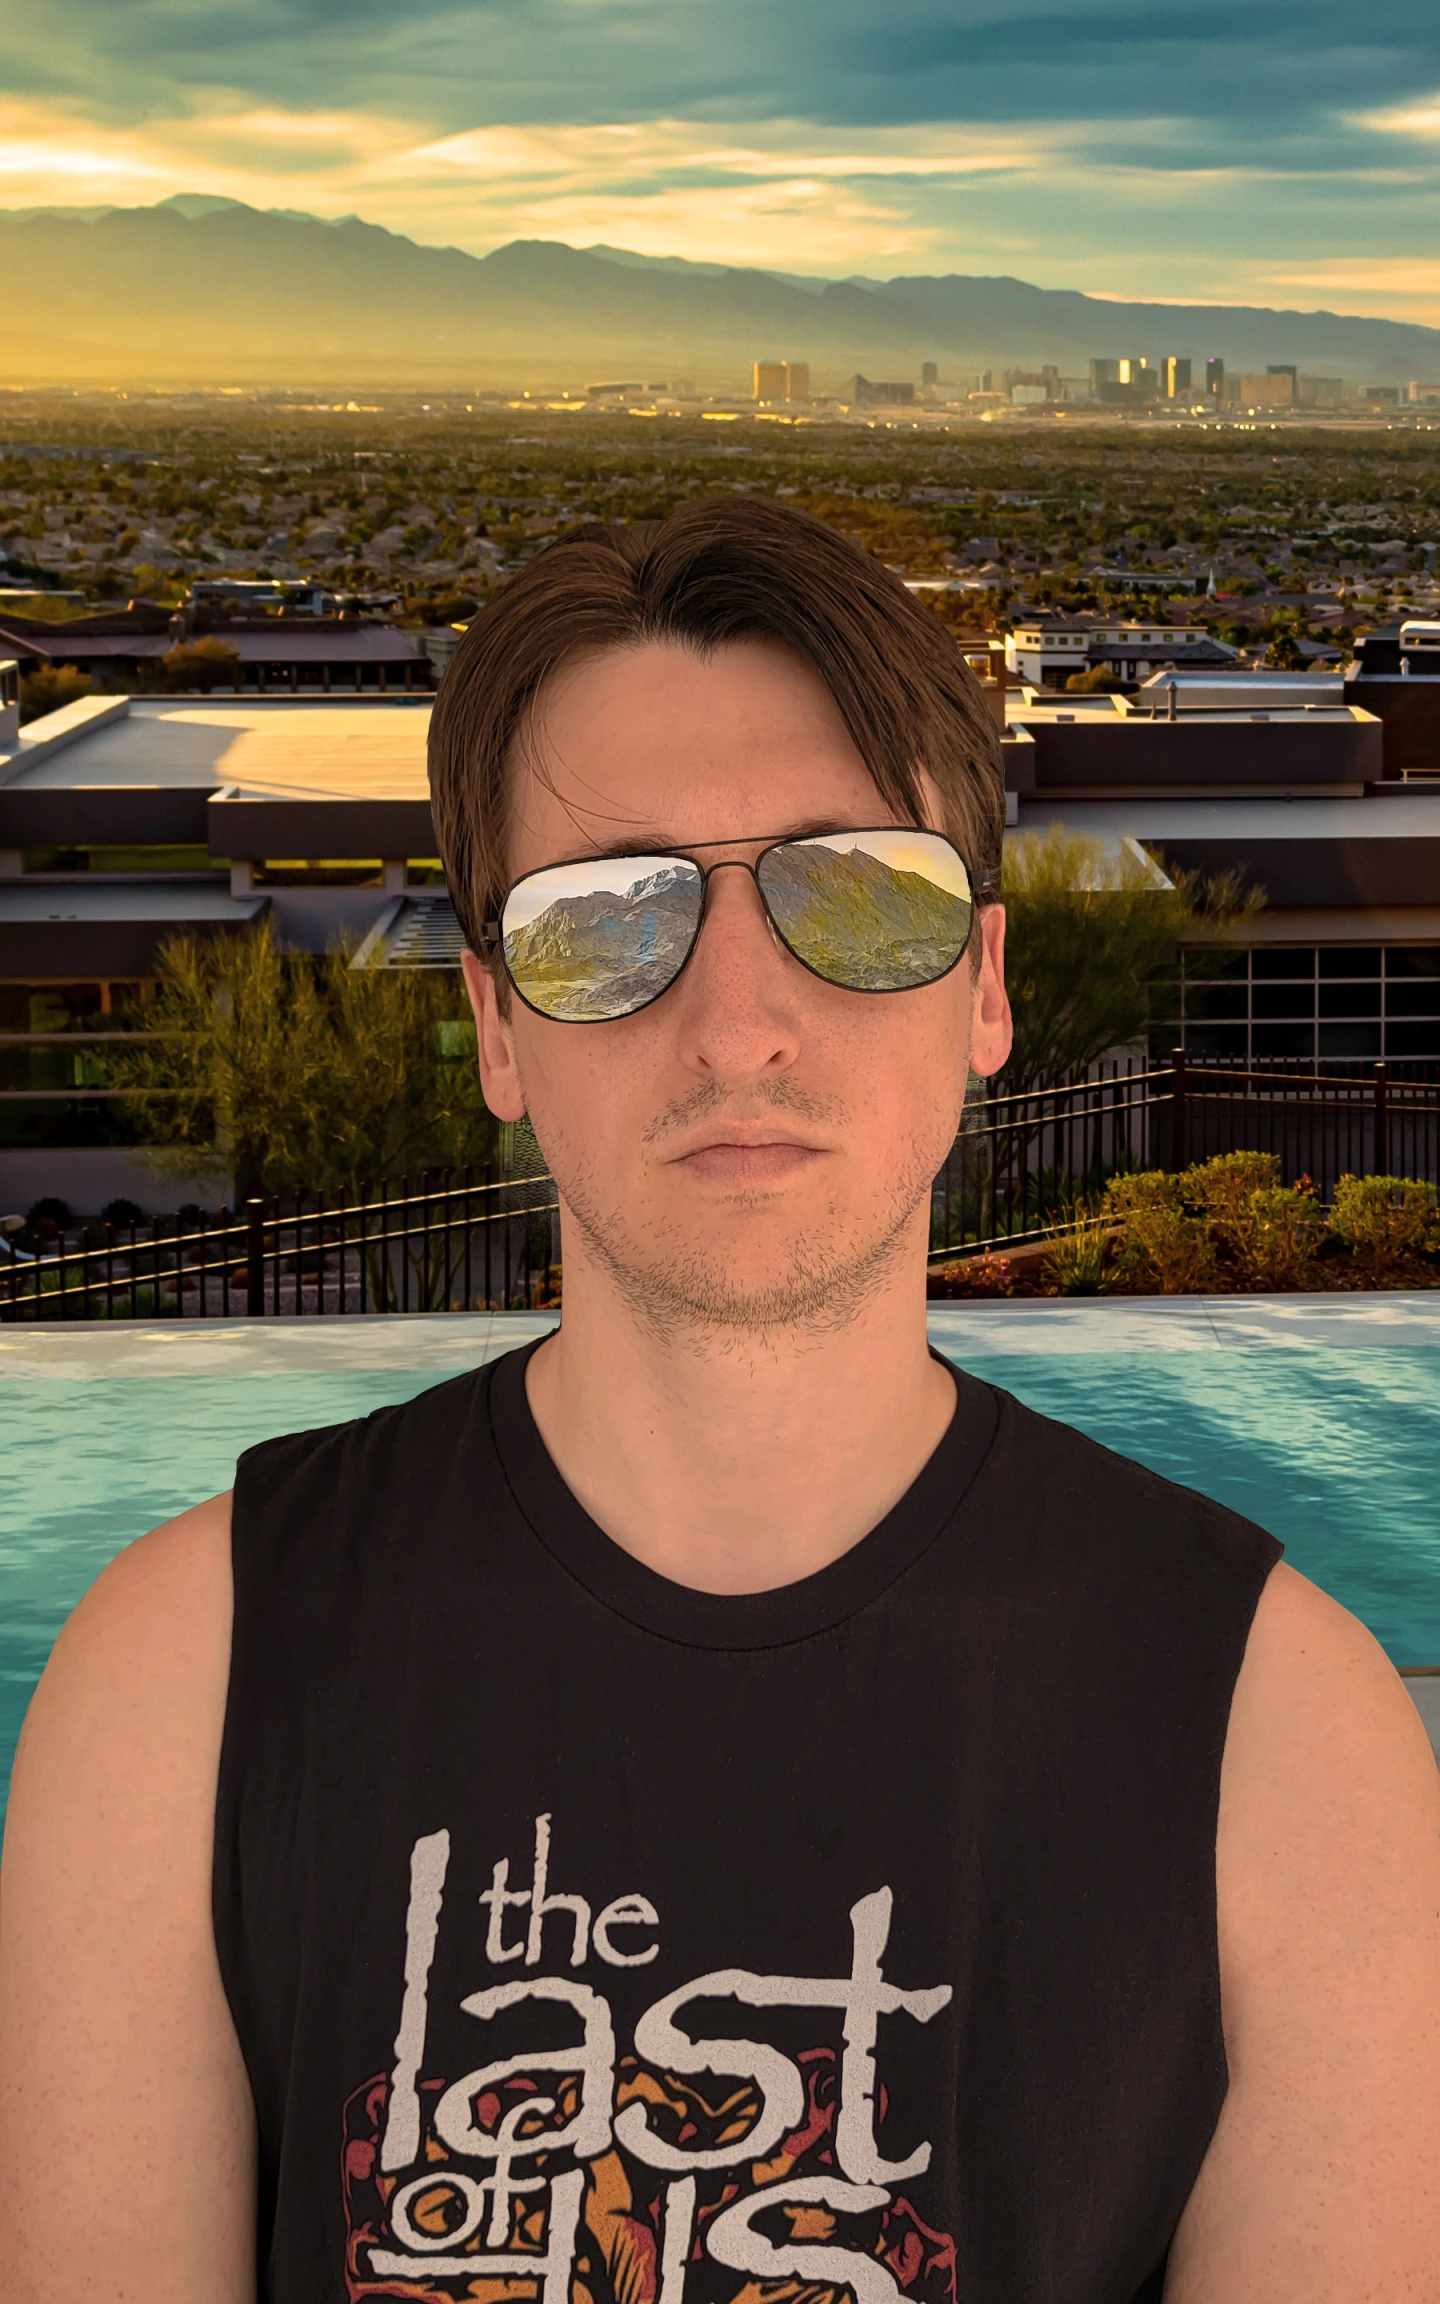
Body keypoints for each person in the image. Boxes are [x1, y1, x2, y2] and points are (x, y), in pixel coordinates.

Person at [1, 499, 1438, 2304]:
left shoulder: (1286, 1748)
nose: (738, 1021)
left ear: (983, 988)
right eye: (611, 920)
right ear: (501, 1031)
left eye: (857, 895)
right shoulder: (174, 1691)